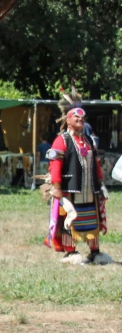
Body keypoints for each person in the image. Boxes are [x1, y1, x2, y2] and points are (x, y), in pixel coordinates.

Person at [45, 87, 110, 264]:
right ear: (68, 119)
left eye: (82, 118)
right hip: (70, 190)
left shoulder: (88, 140)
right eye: (76, 117)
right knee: (69, 221)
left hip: (90, 191)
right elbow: (55, 164)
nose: (80, 119)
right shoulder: (62, 140)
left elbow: (95, 164)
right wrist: (57, 187)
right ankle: (71, 252)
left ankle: (95, 252)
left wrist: (101, 184)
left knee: (91, 220)